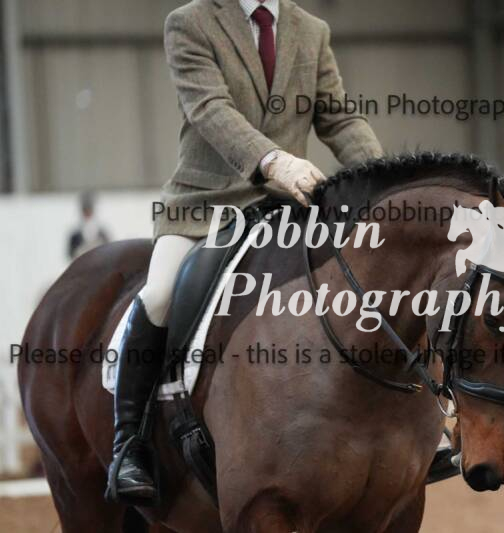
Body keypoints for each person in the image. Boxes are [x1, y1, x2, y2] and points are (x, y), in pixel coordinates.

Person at [107, 0, 384, 504]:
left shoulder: (311, 30)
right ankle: (130, 442)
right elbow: (211, 110)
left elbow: (340, 120)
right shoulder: (190, 23)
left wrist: (385, 183)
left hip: (288, 207)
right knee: (161, 294)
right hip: (204, 206)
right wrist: (274, 161)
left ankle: (405, 421)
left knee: (366, 282)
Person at [68, 192, 110, 260]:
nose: (87, 213)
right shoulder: (75, 236)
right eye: (85, 211)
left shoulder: (102, 234)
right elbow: (71, 254)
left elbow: (109, 252)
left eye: (89, 211)